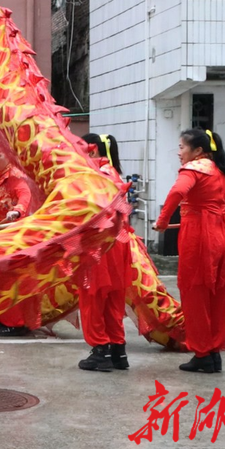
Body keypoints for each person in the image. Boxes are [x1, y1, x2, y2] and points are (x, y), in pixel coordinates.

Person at [154, 129, 225, 374]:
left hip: (199, 237)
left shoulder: (193, 169)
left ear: (198, 150)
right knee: (217, 295)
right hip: (222, 236)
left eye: (182, 147)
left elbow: (177, 192)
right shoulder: (220, 171)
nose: (179, 152)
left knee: (195, 294)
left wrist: (163, 220)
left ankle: (202, 353)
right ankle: (213, 353)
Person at [76, 134, 131, 372]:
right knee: (113, 299)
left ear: (93, 150)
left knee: (93, 297)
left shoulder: (95, 175)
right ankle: (118, 351)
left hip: (99, 243)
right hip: (118, 242)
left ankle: (100, 351)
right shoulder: (113, 173)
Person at [0, 144, 36, 337]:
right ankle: (4, 319)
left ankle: (16, 323)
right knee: (0, 279)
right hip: (0, 233)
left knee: (11, 279)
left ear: (8, 155)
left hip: (14, 234)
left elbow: (24, 195)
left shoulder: (15, 176)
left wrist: (17, 210)